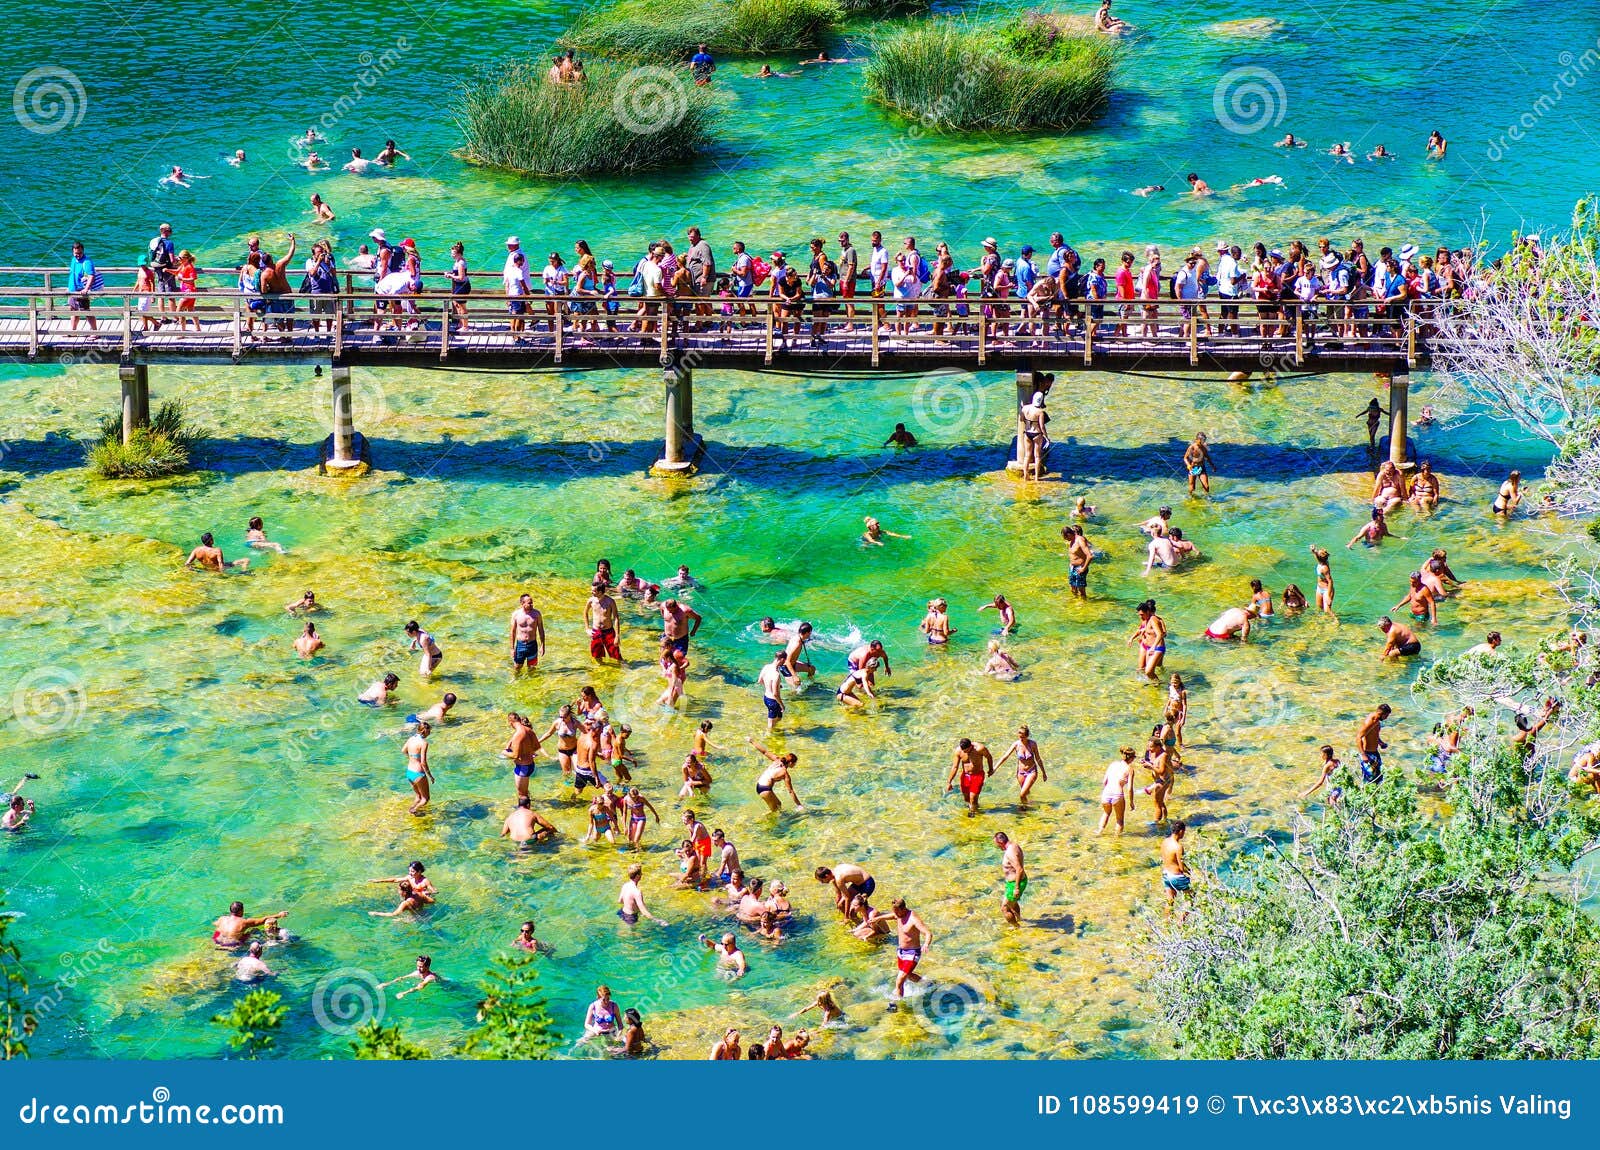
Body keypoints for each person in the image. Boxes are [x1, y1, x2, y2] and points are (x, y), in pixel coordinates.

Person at [995, 725, 1047, 806]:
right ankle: (1030, 803)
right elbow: (1005, 756)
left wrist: (1044, 773)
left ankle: (1025, 809)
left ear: (1027, 736)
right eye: (1019, 735)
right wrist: (994, 768)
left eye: (1022, 736)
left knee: (1022, 794)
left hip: (1032, 771)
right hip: (1020, 773)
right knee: (1026, 792)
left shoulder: (1033, 744)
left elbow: (1038, 759)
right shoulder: (1016, 744)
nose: (1020, 738)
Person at [749, 738, 805, 811]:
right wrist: (799, 805)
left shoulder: (777, 760)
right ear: (791, 763)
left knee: (778, 805)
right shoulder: (785, 773)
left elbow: (764, 752)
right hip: (765, 789)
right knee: (776, 811)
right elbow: (791, 791)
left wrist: (752, 741)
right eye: (795, 763)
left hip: (759, 786)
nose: (795, 765)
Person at [945, 737, 993, 815]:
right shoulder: (959, 751)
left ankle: (972, 817)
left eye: (966, 750)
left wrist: (990, 769)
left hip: (977, 775)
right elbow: (955, 767)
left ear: (970, 746)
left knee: (973, 799)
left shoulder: (980, 748)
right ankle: (975, 810)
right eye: (963, 750)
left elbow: (989, 757)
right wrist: (949, 782)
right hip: (965, 776)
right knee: (967, 799)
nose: (965, 752)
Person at [213, 902, 287, 948]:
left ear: (230, 910)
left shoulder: (222, 918)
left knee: (219, 932)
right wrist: (280, 915)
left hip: (216, 941)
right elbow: (263, 920)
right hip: (231, 945)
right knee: (253, 931)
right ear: (241, 911)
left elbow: (215, 924)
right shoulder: (244, 922)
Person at [1098, 748, 1137, 834]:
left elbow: (1104, 781)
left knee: (1106, 813)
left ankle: (1099, 832)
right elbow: (1130, 788)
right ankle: (1116, 840)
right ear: (1131, 758)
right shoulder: (1130, 769)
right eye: (1134, 757)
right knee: (1120, 820)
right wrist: (1131, 802)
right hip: (1117, 794)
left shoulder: (1113, 764)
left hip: (1106, 793)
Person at [585, 580, 622, 663]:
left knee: (616, 656)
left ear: (600, 592)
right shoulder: (591, 601)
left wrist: (617, 636)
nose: (591, 592)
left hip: (609, 632)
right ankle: (602, 672)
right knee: (597, 656)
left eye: (594, 591)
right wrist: (587, 628)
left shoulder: (610, 601)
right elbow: (585, 613)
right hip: (596, 632)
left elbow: (616, 618)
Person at [1161, 821, 1193, 916]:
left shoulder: (1165, 842)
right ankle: (1181, 922)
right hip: (1176, 877)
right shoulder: (1178, 847)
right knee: (1190, 898)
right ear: (1181, 831)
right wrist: (1191, 872)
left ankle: (1167, 923)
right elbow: (1182, 867)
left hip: (1166, 875)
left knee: (1170, 901)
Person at [995, 832, 1027, 926]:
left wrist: (1016, 888)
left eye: (997, 844)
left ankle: (1016, 927)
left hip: (1015, 883)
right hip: (1013, 882)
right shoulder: (1014, 846)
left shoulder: (1010, 852)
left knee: (1005, 908)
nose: (997, 847)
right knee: (1012, 904)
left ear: (1000, 842)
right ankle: (1019, 919)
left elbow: (1019, 869)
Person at [1130, 599, 1168, 677]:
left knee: (1149, 671)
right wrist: (1132, 638)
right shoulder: (1146, 620)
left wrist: (1153, 647)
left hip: (1156, 647)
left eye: (1142, 614)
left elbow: (1161, 634)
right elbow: (1140, 629)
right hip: (1147, 646)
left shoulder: (1154, 619)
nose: (1140, 617)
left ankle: (1159, 684)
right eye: (1139, 615)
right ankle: (1152, 684)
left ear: (1148, 612)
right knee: (1143, 669)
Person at [1356, 703, 1392, 783]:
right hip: (1367, 754)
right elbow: (1359, 737)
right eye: (1386, 716)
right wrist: (1363, 755)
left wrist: (1380, 743)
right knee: (1369, 779)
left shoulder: (1377, 721)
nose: (1386, 718)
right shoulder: (1371, 721)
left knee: (1379, 777)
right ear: (1381, 713)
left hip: (1375, 753)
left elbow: (1374, 734)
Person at [509, 593, 545, 673]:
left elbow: (541, 630)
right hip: (520, 645)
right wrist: (512, 648)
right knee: (517, 668)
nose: (532, 604)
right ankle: (516, 682)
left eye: (532, 602)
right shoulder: (516, 615)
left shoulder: (537, 614)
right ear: (522, 603)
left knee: (532, 668)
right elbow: (513, 632)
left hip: (532, 645)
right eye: (529, 603)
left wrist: (542, 645)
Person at [403, 721, 433, 815]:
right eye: (429, 731)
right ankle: (414, 811)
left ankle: (412, 809)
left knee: (418, 796)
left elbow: (403, 750)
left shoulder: (411, 739)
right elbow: (423, 763)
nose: (430, 733)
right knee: (425, 799)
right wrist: (430, 776)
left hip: (409, 772)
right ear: (425, 731)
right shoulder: (424, 743)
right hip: (418, 773)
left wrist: (412, 758)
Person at [757, 649, 787, 732]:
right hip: (773, 701)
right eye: (784, 661)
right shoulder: (776, 674)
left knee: (779, 717)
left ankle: (775, 733)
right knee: (770, 725)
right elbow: (775, 694)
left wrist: (773, 686)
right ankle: (768, 737)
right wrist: (782, 705)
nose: (784, 663)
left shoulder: (766, 667)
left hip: (766, 698)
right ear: (781, 659)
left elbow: (760, 681)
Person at [1065, 524, 1093, 599]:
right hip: (1072, 567)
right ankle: (1075, 602)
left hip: (1080, 568)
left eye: (1065, 537)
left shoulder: (1080, 540)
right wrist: (1071, 565)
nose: (1065, 540)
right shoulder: (1072, 540)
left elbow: (1090, 556)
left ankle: (1083, 606)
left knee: (1081, 591)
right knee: (1073, 588)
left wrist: (1083, 569)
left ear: (1069, 534)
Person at [1309, 545, 1336, 614]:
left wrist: (1329, 596)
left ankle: (1336, 622)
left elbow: (1330, 581)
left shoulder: (1324, 568)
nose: (1316, 552)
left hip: (1327, 590)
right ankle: (1324, 621)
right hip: (1319, 588)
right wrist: (1313, 551)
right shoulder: (1321, 562)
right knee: (1320, 608)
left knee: (1327, 610)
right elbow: (1317, 556)